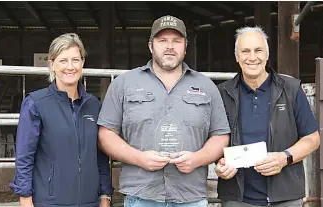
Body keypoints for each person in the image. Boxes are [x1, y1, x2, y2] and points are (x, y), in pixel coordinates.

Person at [97, 15, 230, 207]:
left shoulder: (206, 86)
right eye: (163, 41)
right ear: (151, 46)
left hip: (190, 196)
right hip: (141, 196)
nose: (170, 46)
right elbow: (105, 135)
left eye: (176, 41)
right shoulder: (124, 84)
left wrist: (196, 159)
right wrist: (139, 158)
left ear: (185, 47)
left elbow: (220, 135)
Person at [215, 26, 321, 207]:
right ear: (237, 56)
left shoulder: (291, 89)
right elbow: (214, 139)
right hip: (237, 199)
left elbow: (312, 138)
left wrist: (284, 157)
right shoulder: (222, 93)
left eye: (258, 50)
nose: (252, 57)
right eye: (245, 51)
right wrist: (219, 162)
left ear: (267, 54)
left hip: (285, 198)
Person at [9, 33, 113, 207]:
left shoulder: (94, 105)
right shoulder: (36, 103)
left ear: (82, 63)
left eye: (75, 60)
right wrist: (25, 198)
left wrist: (105, 195)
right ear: (52, 64)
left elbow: (100, 156)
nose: (70, 67)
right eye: (63, 60)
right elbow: (25, 157)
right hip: (50, 202)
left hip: (90, 202)